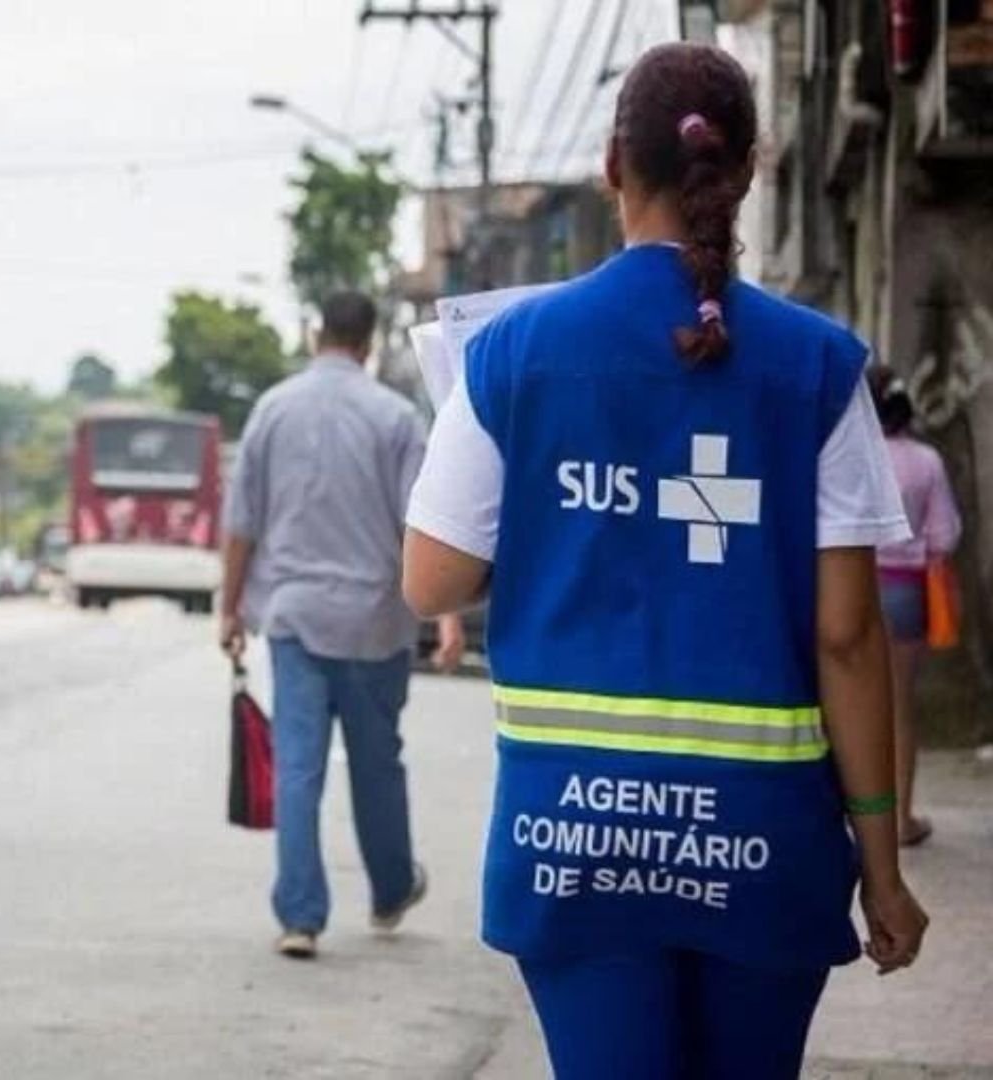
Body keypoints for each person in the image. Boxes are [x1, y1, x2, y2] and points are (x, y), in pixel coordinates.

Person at [402, 44, 929, 1080]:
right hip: (764, 839)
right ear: (748, 171)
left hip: (570, 838)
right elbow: (848, 638)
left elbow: (432, 583)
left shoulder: (510, 354)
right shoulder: (819, 366)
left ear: (611, 166)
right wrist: (880, 867)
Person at [220, 290, 465, 960]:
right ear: (369, 342)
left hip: (293, 618)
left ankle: (300, 916)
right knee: (376, 762)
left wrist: (228, 608)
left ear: (316, 335)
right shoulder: (395, 418)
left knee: (298, 767)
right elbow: (428, 525)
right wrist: (445, 617)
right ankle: (390, 889)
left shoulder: (272, 410)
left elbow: (241, 524)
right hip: (374, 623)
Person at [869, 367, 962, 848]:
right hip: (906, 591)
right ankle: (902, 819)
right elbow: (944, 535)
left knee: (852, 702)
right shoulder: (927, 461)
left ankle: (854, 818)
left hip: (855, 586)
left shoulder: (856, 457)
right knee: (900, 708)